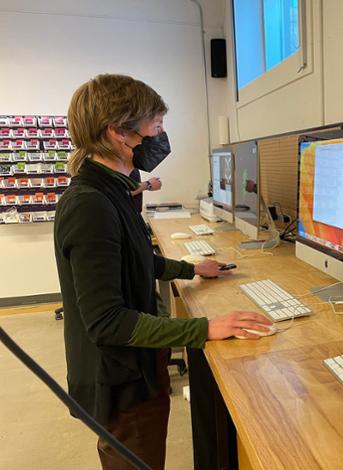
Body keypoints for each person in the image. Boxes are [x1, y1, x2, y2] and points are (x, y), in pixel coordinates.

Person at [53, 74, 272, 470]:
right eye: (155, 127)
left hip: (134, 369)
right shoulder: (90, 205)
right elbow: (107, 322)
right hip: (120, 380)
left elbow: (135, 260)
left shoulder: (113, 190)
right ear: (119, 132)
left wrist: (190, 268)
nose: (160, 137)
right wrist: (202, 328)